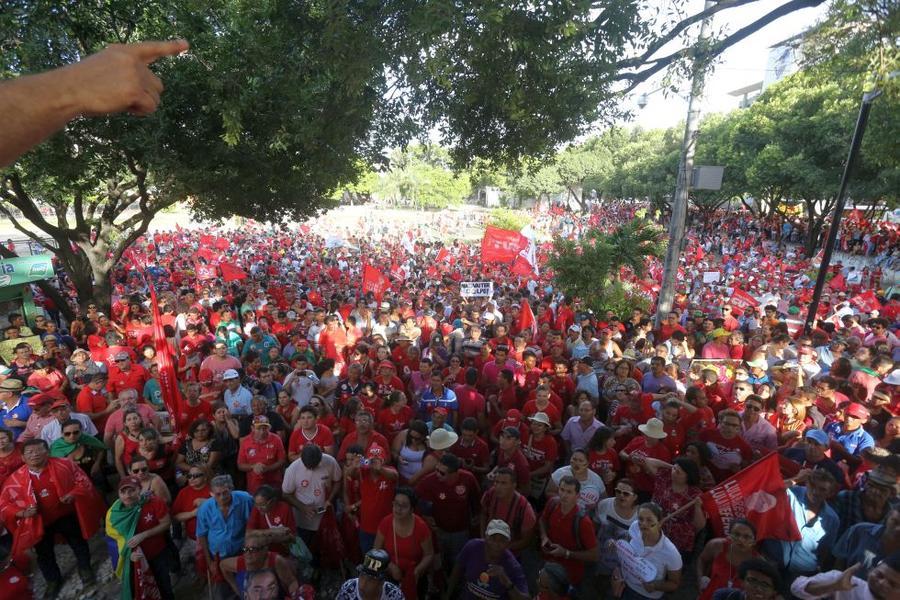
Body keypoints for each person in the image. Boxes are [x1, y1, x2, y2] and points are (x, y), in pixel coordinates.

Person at [0, 439, 105, 597]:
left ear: (47, 452)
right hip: (39, 522)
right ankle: (52, 580)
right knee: (44, 554)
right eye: (29, 452)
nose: (35, 454)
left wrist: (73, 494)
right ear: (22, 457)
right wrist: (22, 513)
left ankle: (85, 568)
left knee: (78, 542)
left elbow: (83, 482)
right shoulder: (15, 480)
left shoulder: (65, 465)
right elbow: (4, 505)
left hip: (65, 515)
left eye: (39, 450)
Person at [763, 468, 840, 583]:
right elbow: (767, 491)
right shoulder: (791, 493)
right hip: (771, 561)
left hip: (801, 573)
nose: (815, 492)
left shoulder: (832, 519)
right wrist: (796, 479)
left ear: (829, 493)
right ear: (807, 483)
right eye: (813, 486)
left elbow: (824, 550)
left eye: (822, 489)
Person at [106, 475, 174, 599]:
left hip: (157, 553)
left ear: (140, 489)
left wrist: (144, 535)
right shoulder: (114, 514)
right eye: (123, 491)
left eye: (132, 490)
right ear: (118, 493)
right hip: (134, 560)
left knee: (165, 586)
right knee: (141, 591)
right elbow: (114, 541)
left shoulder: (154, 502)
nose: (128, 495)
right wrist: (128, 554)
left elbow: (166, 523)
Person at [416, 452, 481, 572]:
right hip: (439, 532)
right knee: (441, 563)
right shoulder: (428, 481)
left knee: (458, 562)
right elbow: (416, 499)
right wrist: (425, 517)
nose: (437, 474)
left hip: (461, 532)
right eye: (436, 469)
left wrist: (477, 517)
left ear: (455, 473)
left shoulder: (468, 478)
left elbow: (476, 500)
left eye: (442, 473)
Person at [196, 474, 254, 597]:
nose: (222, 497)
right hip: (217, 555)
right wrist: (209, 561)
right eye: (218, 494)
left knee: (246, 585)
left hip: (241, 551)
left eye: (225, 493)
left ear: (231, 489)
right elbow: (202, 535)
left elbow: (253, 525)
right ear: (211, 493)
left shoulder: (245, 499)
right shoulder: (205, 508)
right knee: (223, 591)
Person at [612, 502, 683, 600]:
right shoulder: (635, 527)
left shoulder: (671, 553)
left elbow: (674, 583)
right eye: (640, 519)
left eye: (649, 520)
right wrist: (617, 546)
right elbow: (627, 549)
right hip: (624, 586)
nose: (643, 524)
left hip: (646, 596)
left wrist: (655, 586)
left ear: (660, 522)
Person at [444, 519, 530, 600]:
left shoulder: (513, 566)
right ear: (485, 537)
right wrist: (447, 595)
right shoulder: (472, 546)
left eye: (502, 540)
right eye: (493, 538)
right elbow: (457, 569)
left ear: (508, 543)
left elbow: (526, 598)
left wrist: (506, 581)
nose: (497, 544)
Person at [373, 487, 434, 600]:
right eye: (396, 504)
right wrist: (390, 566)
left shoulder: (421, 527)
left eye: (404, 506)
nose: (398, 509)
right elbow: (375, 552)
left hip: (415, 580)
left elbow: (429, 554)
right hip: (390, 578)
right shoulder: (385, 523)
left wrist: (418, 571)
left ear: (412, 509)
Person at [538, 475, 598, 588]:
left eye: (569, 492)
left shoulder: (584, 522)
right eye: (562, 490)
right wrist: (544, 536)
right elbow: (542, 520)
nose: (564, 495)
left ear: (578, 496)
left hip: (569, 574)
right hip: (547, 564)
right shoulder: (552, 503)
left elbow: (594, 555)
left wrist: (566, 553)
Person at [281, 444, 342, 546]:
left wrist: (330, 500)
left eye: (315, 466)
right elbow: (286, 494)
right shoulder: (293, 469)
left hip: (325, 518)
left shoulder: (330, 462)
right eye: (308, 466)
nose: (312, 469)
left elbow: (338, 481)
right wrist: (303, 507)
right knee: (306, 549)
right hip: (303, 521)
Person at [349, 445, 400, 554]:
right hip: (366, 527)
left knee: (386, 559)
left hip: (386, 527)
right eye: (372, 460)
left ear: (384, 460)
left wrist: (380, 468)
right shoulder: (363, 472)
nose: (374, 463)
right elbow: (350, 474)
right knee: (368, 558)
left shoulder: (389, 470)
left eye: (378, 460)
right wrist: (354, 465)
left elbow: (395, 476)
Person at [219, 531, 299, 599]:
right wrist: (237, 589)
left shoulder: (276, 561)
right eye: (245, 549)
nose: (248, 554)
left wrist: (295, 595)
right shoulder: (241, 562)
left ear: (265, 550)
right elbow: (222, 565)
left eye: (253, 549)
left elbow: (291, 582)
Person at [790, 551, 900, 600]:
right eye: (879, 575)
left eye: (892, 584)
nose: (882, 582)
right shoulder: (846, 582)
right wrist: (833, 585)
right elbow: (796, 587)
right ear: (872, 569)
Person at [696, 519, 760, 600]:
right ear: (729, 535)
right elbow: (702, 560)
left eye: (747, 537)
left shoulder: (758, 563)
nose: (740, 540)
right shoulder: (716, 545)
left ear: (754, 542)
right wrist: (700, 579)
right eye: (736, 534)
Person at [480, 467, 537, 555]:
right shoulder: (490, 494)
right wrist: (484, 538)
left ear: (514, 485)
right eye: (496, 482)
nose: (498, 487)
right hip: (488, 546)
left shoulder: (524, 509)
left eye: (503, 483)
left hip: (510, 553)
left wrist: (500, 548)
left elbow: (526, 540)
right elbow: (483, 514)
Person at [833, 505, 899, 579]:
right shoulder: (860, 531)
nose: (898, 529)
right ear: (887, 518)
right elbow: (838, 562)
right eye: (895, 522)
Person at [594, 478, 640, 575]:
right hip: (601, 557)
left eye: (626, 494)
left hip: (625, 564)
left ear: (635, 497)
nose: (621, 495)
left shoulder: (640, 516)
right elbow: (595, 527)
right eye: (618, 491)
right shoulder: (604, 504)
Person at [546, 448, 606, 513]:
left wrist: (596, 505)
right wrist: (565, 500)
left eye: (581, 461)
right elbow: (548, 492)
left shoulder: (596, 479)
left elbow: (604, 499)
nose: (576, 463)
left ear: (587, 463)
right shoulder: (560, 473)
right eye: (574, 459)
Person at [237, 415, 286, 494]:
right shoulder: (245, 441)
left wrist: (268, 468)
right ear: (252, 428)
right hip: (254, 487)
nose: (262, 431)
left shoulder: (276, 439)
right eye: (258, 428)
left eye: (265, 428)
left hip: (274, 484)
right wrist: (253, 467)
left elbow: (282, 461)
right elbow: (240, 465)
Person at [336, 548, 405, 600]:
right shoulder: (348, 589)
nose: (363, 585)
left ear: (381, 582)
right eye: (362, 576)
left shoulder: (395, 595)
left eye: (370, 580)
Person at [247, 484, 297, 555]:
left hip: (282, 553)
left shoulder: (285, 508)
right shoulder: (257, 509)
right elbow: (249, 533)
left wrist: (280, 537)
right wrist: (272, 532)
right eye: (256, 504)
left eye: (262, 505)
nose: (259, 508)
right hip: (262, 553)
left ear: (272, 501)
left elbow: (293, 537)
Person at [710, 558, 782, 600]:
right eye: (752, 581)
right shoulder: (725, 595)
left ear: (774, 592)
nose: (758, 588)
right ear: (742, 582)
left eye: (765, 585)